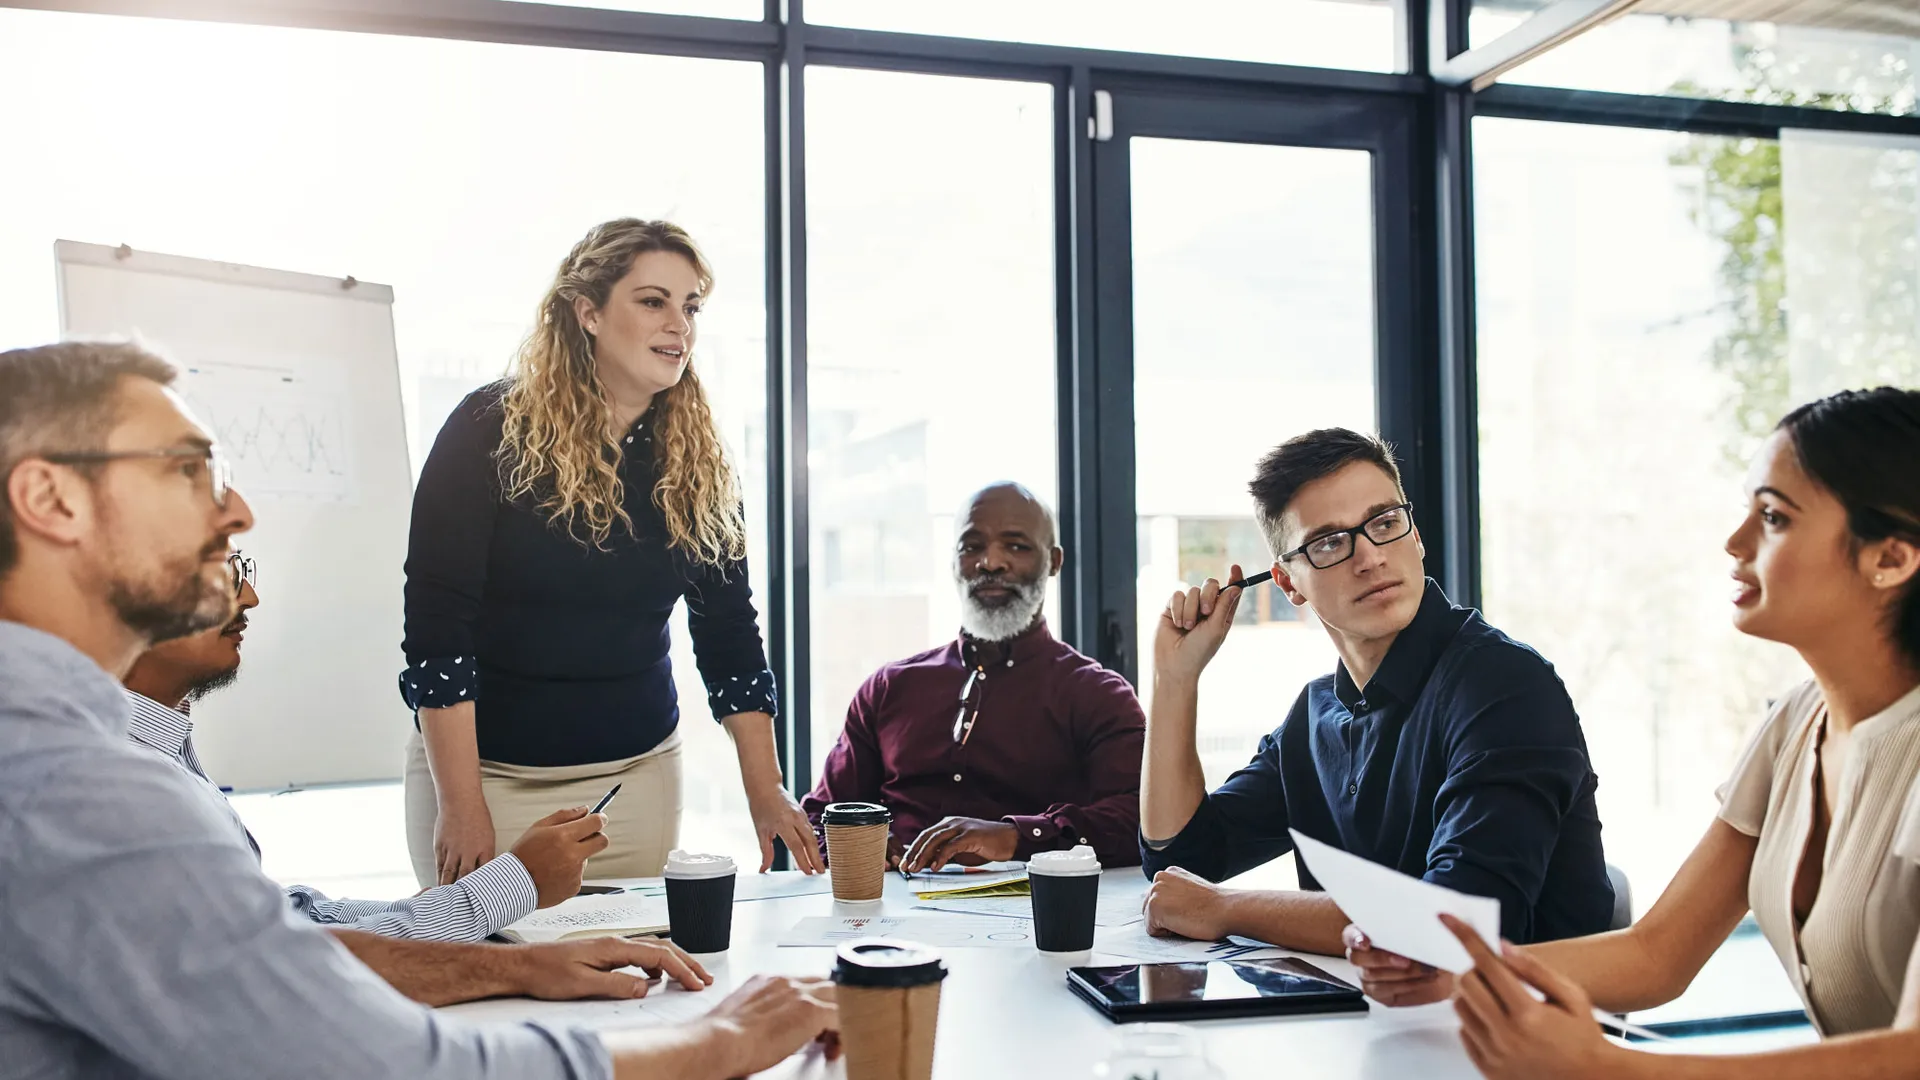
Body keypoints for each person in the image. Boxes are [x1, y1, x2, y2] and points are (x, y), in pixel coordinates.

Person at [0, 339, 837, 1079]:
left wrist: (515, 966)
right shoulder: (75, 788)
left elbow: (293, 932)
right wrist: (720, 1041)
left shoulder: (92, 750)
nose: (237, 512)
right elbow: (385, 1063)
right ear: (51, 499)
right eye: (188, 469)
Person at [1354, 387, 1920, 1080]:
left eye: (1772, 517)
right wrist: (1458, 970)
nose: (1735, 542)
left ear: (1890, 559)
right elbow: (1658, 954)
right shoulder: (1796, 724)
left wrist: (1615, 1070)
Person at [402, 218, 820, 886]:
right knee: (482, 973)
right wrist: (462, 805)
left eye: (690, 307)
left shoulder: (699, 465)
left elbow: (730, 637)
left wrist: (765, 792)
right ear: (588, 312)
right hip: (484, 781)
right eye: (653, 301)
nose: (678, 325)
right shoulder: (487, 430)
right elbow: (435, 632)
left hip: (635, 783)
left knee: (632, 980)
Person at [1140, 427, 1612, 955]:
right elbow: (1178, 864)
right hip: (1368, 1022)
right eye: (1330, 543)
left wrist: (1227, 909)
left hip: (1525, 1029)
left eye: (1385, 523)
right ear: (1289, 583)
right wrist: (1174, 681)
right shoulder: (1315, 715)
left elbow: (1462, 927)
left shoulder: (1506, 687)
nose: (1370, 558)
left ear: (1416, 536)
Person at [124, 550, 606, 948]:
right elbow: (283, 960)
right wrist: (516, 885)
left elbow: (284, 918)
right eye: (217, 570)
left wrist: (446, 908)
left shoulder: (159, 741)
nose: (249, 595)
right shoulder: (124, 784)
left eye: (240, 567)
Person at [803, 481, 1145, 871]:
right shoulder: (889, 688)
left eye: (1016, 546)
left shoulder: (1098, 696)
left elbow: (1142, 820)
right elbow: (821, 814)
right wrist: (856, 845)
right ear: (953, 562)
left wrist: (1018, 836)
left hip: (1032, 914)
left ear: (1054, 562)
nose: (991, 563)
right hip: (889, 911)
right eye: (972, 546)